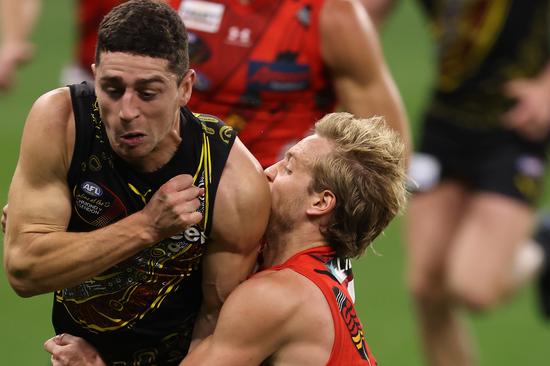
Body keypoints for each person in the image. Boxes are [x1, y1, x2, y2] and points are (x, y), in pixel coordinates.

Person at [2, 1, 270, 365]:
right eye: (112, 88)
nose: (127, 111)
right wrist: (147, 227)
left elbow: (218, 341)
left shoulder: (230, 180)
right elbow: (24, 270)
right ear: (94, 76)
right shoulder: (62, 122)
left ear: (185, 88)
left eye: (148, 92)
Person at [361, 0, 550, 365]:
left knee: (473, 289)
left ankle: (542, 248)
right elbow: (367, 12)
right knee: (426, 289)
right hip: (445, 119)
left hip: (517, 121)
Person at [42, 112, 409, 366]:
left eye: (288, 167)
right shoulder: (321, 273)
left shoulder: (278, 296)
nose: (266, 172)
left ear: (320, 202)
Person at [0, 0, 411, 167]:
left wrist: (330, 220)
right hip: (166, 212)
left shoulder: (332, 16)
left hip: (279, 228)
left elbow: (390, 148)